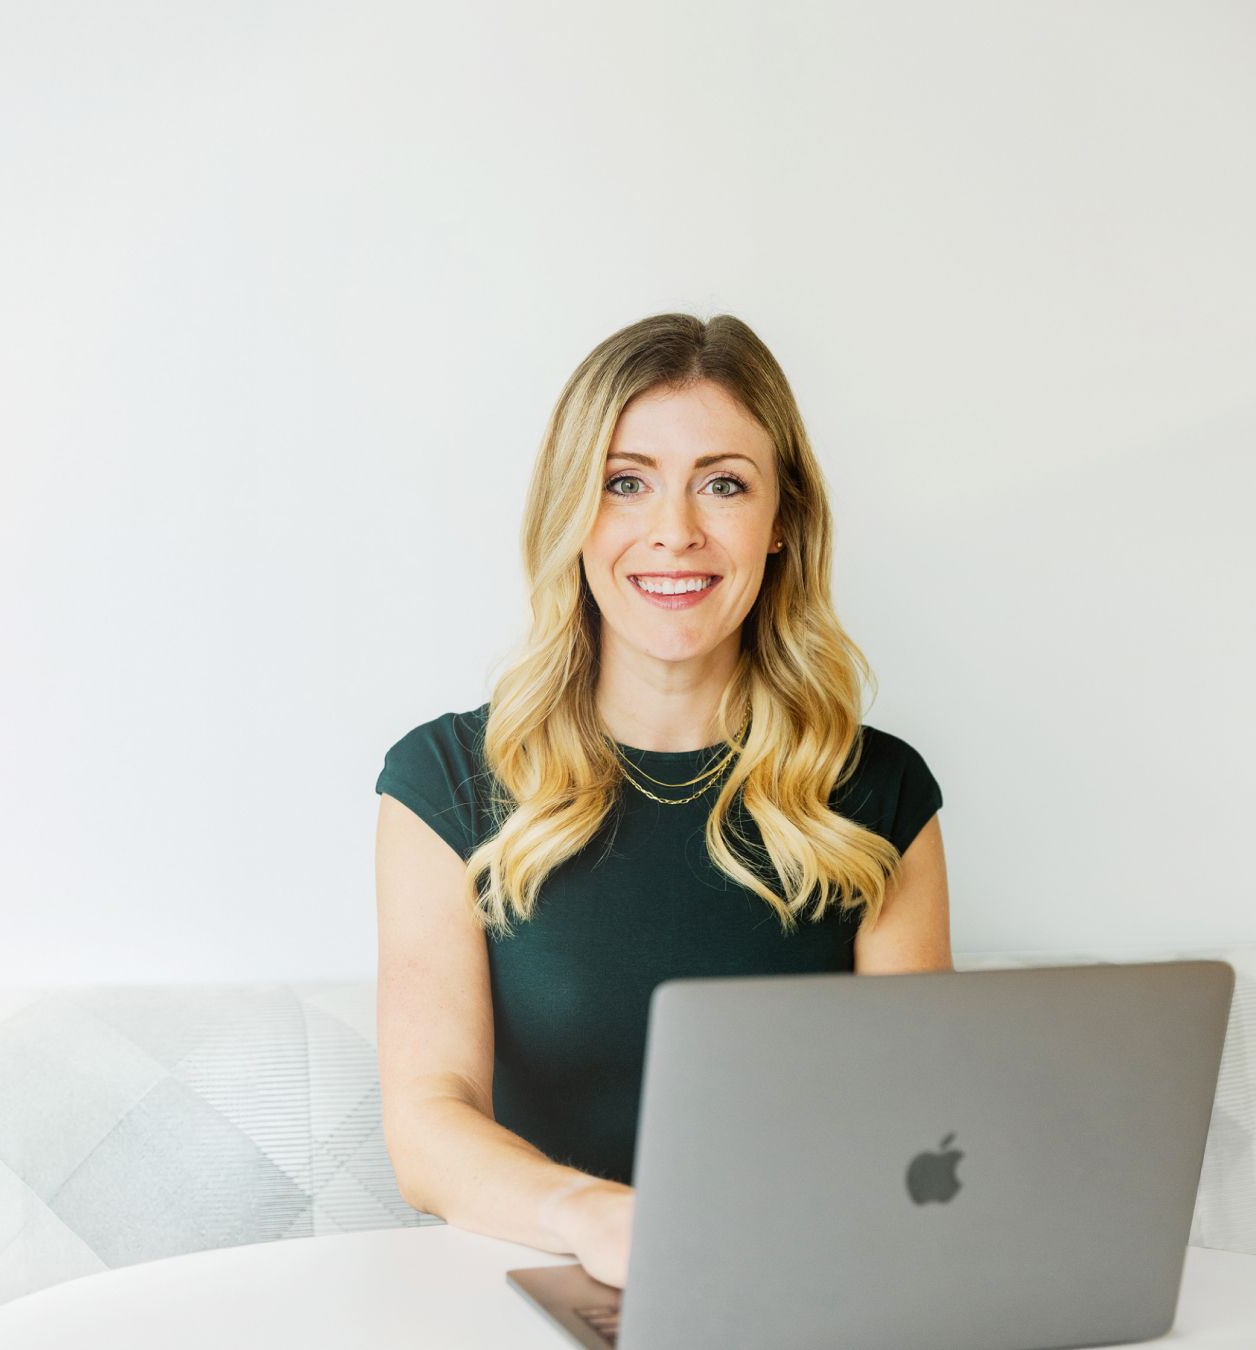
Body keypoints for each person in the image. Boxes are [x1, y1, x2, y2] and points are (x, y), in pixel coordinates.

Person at [372, 312, 951, 1292]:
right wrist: (593, 1216)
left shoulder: (879, 793)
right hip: (540, 1284)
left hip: (803, 1292)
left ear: (781, 526)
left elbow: (927, 1122)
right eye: (624, 483)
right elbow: (428, 1125)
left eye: (722, 485)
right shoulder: (445, 782)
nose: (674, 531)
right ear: (572, 515)